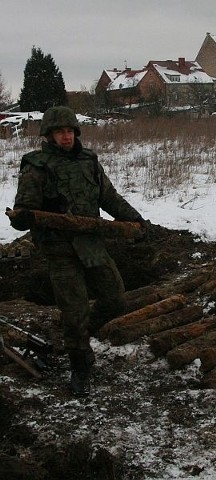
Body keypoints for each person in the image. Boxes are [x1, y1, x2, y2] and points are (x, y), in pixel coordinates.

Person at [9, 106, 147, 397]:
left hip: (91, 244)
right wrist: (22, 218)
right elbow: (24, 210)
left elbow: (108, 196)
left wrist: (134, 219)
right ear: (49, 135)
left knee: (115, 297)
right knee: (74, 311)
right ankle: (79, 363)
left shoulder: (89, 161)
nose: (66, 136)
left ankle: (83, 336)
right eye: (60, 132)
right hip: (60, 250)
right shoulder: (37, 166)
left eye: (70, 131)